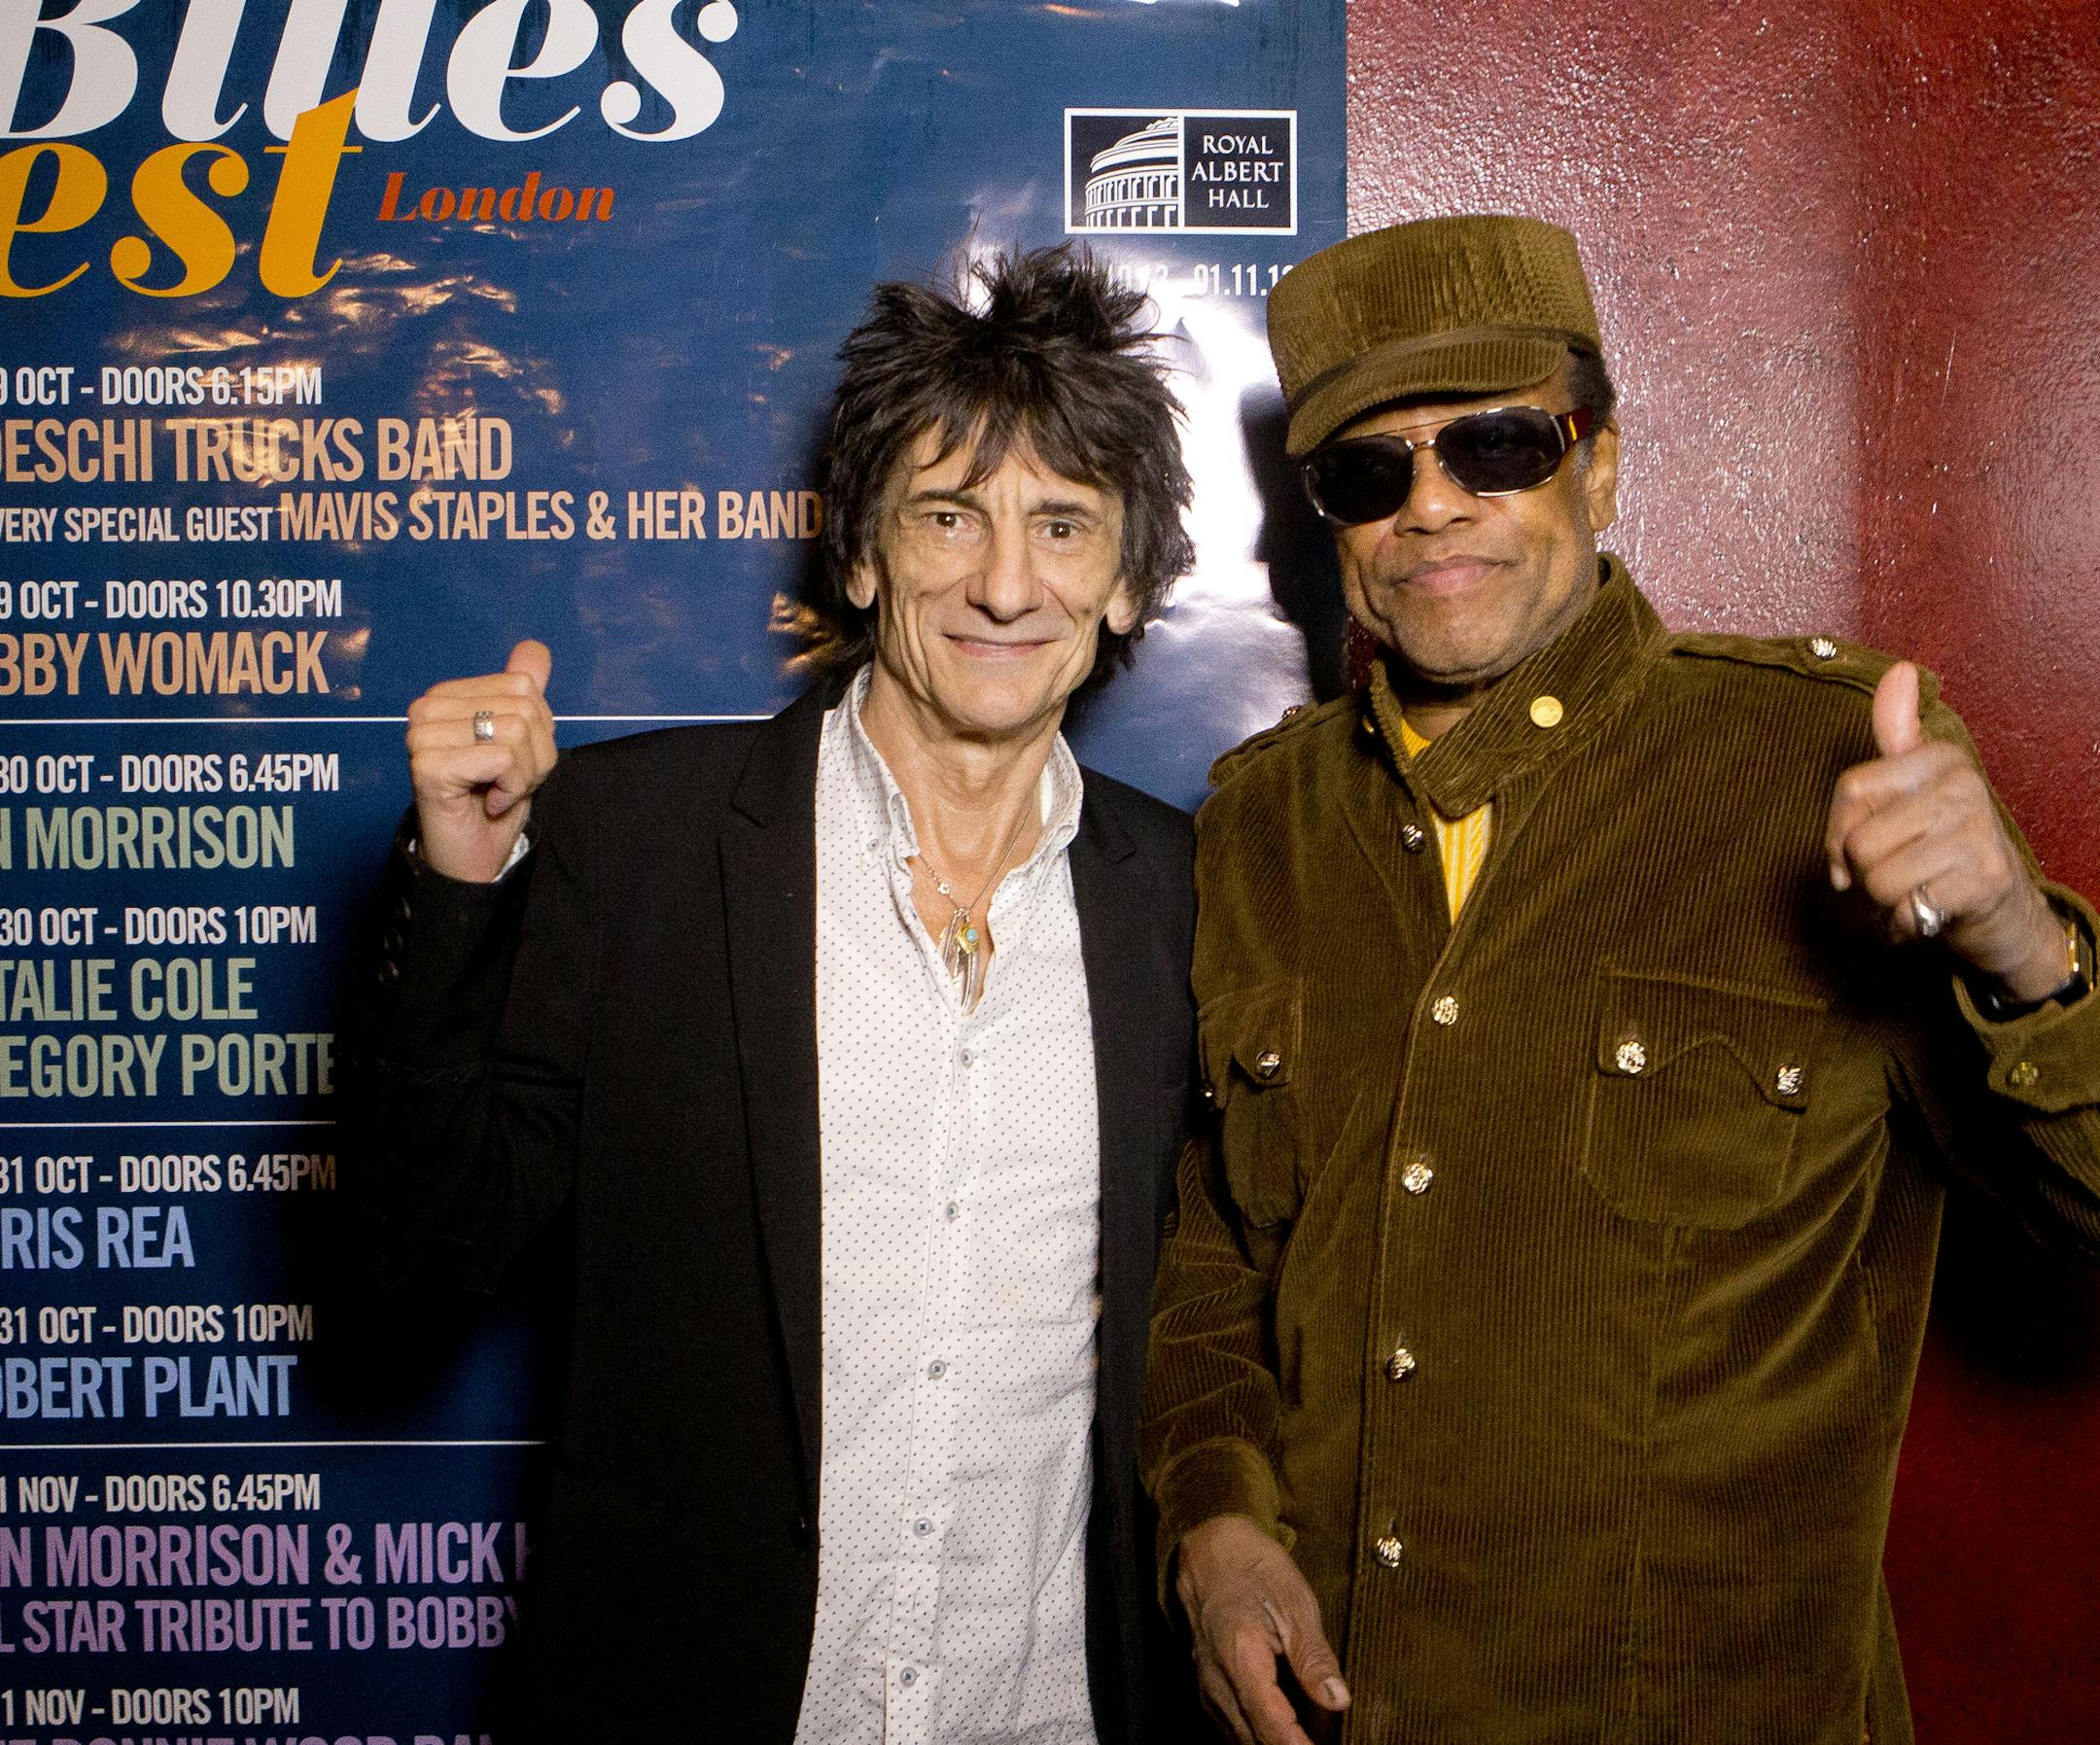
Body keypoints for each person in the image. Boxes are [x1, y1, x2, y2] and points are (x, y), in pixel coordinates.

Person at [1139, 214, 2100, 1745]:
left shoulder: (1827, 759)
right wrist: (1216, 1523)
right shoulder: (1257, 822)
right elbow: (1217, 1265)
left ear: (1598, 464)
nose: (1434, 510)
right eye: (1368, 475)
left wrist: (2019, 949)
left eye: (1500, 447)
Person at [341, 246, 1198, 1743]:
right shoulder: (636, 843)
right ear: (862, 557)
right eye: (949, 516)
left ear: (1128, 584)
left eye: (1063, 526)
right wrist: (465, 884)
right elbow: (416, 1267)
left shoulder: (1186, 896)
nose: (1006, 582)